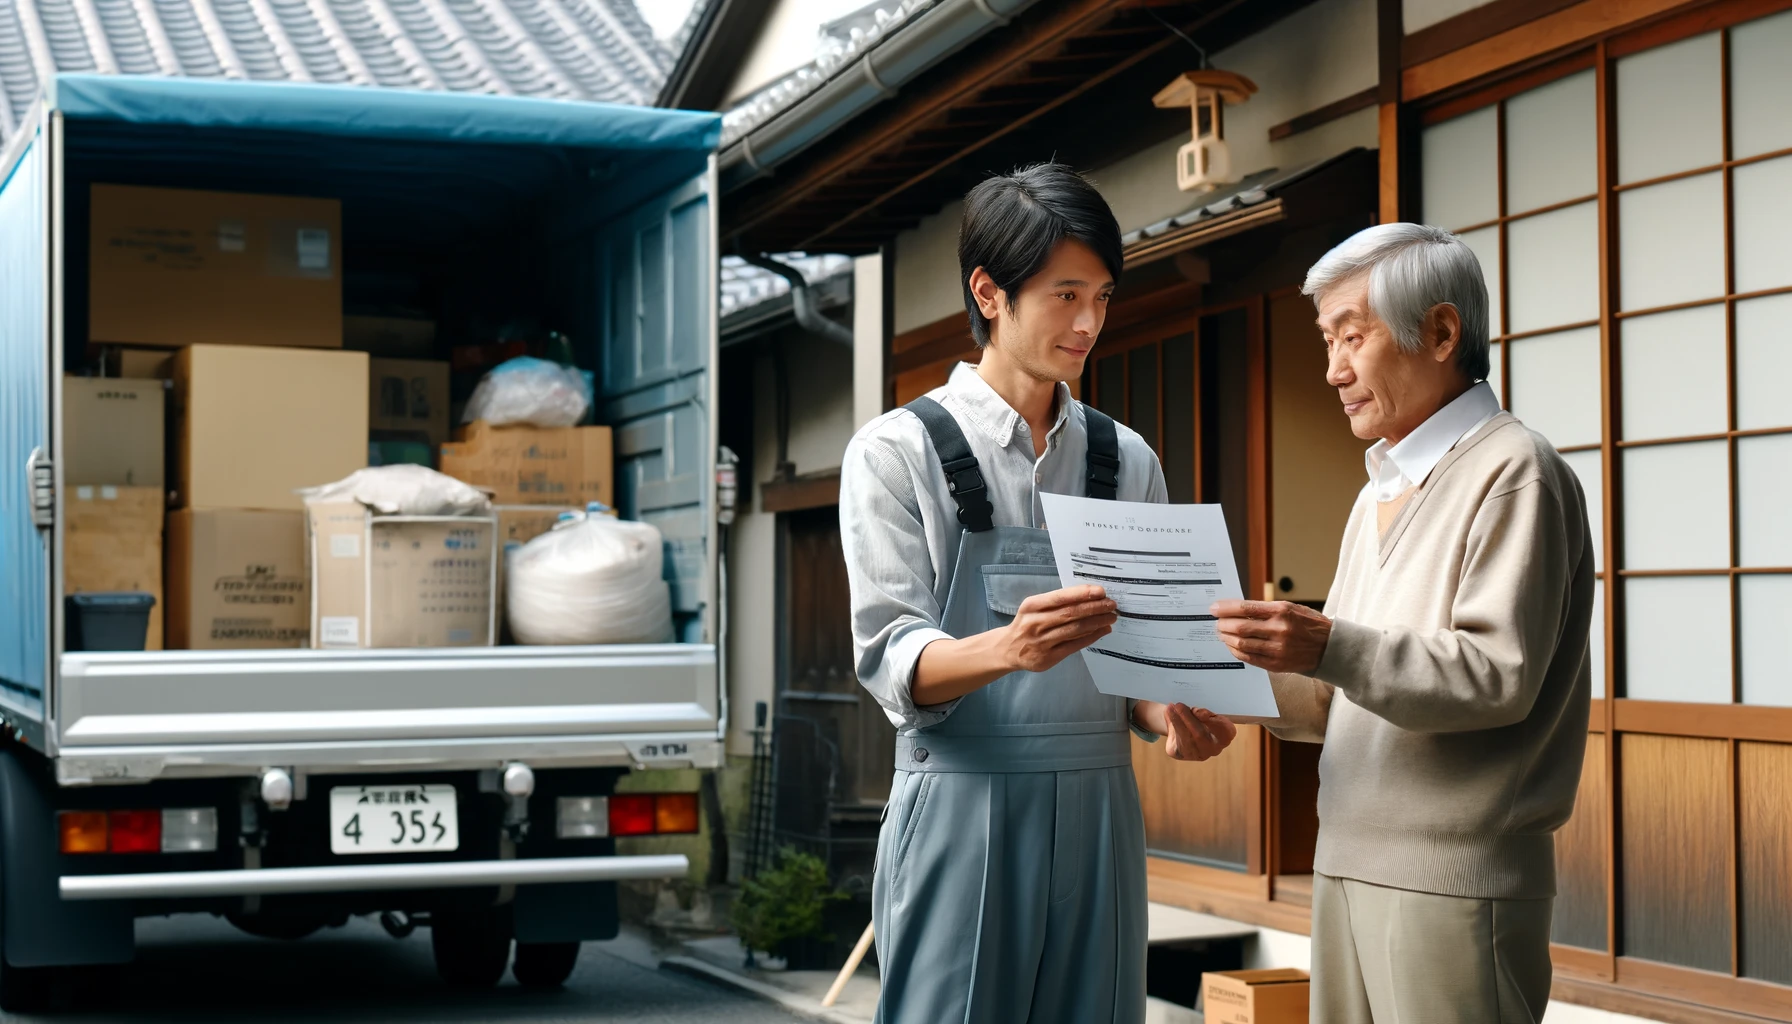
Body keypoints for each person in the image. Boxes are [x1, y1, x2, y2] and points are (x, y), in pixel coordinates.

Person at [840, 163, 1236, 1024]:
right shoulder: (894, 452)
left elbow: (1140, 663)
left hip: (1101, 807)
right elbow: (888, 654)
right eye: (1065, 295)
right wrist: (1007, 649)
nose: (1090, 321)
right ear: (990, 292)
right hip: (958, 801)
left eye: (1101, 295)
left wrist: (1171, 714)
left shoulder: (1126, 460)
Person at [1211, 223, 1594, 1023]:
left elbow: (1497, 678)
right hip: (1346, 861)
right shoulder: (1376, 490)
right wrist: (1225, 674)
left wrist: (1326, 642)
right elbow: (1336, 698)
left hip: (1455, 880)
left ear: (1443, 332)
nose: (1333, 369)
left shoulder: (1515, 470)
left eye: (1352, 335)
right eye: (1327, 341)